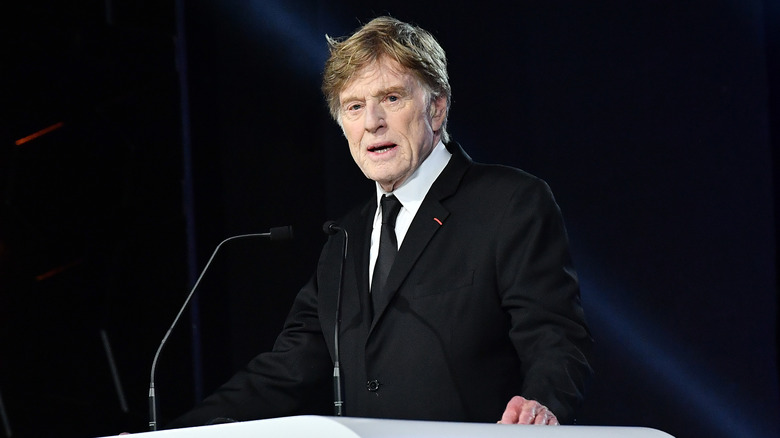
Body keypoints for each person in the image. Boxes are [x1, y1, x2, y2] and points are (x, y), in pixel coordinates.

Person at [169, 16, 592, 428]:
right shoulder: (346, 237)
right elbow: (286, 369)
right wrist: (174, 434)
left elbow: (554, 334)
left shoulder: (508, 201)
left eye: (391, 98)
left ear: (437, 106)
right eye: (355, 106)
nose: (372, 122)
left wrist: (541, 402)